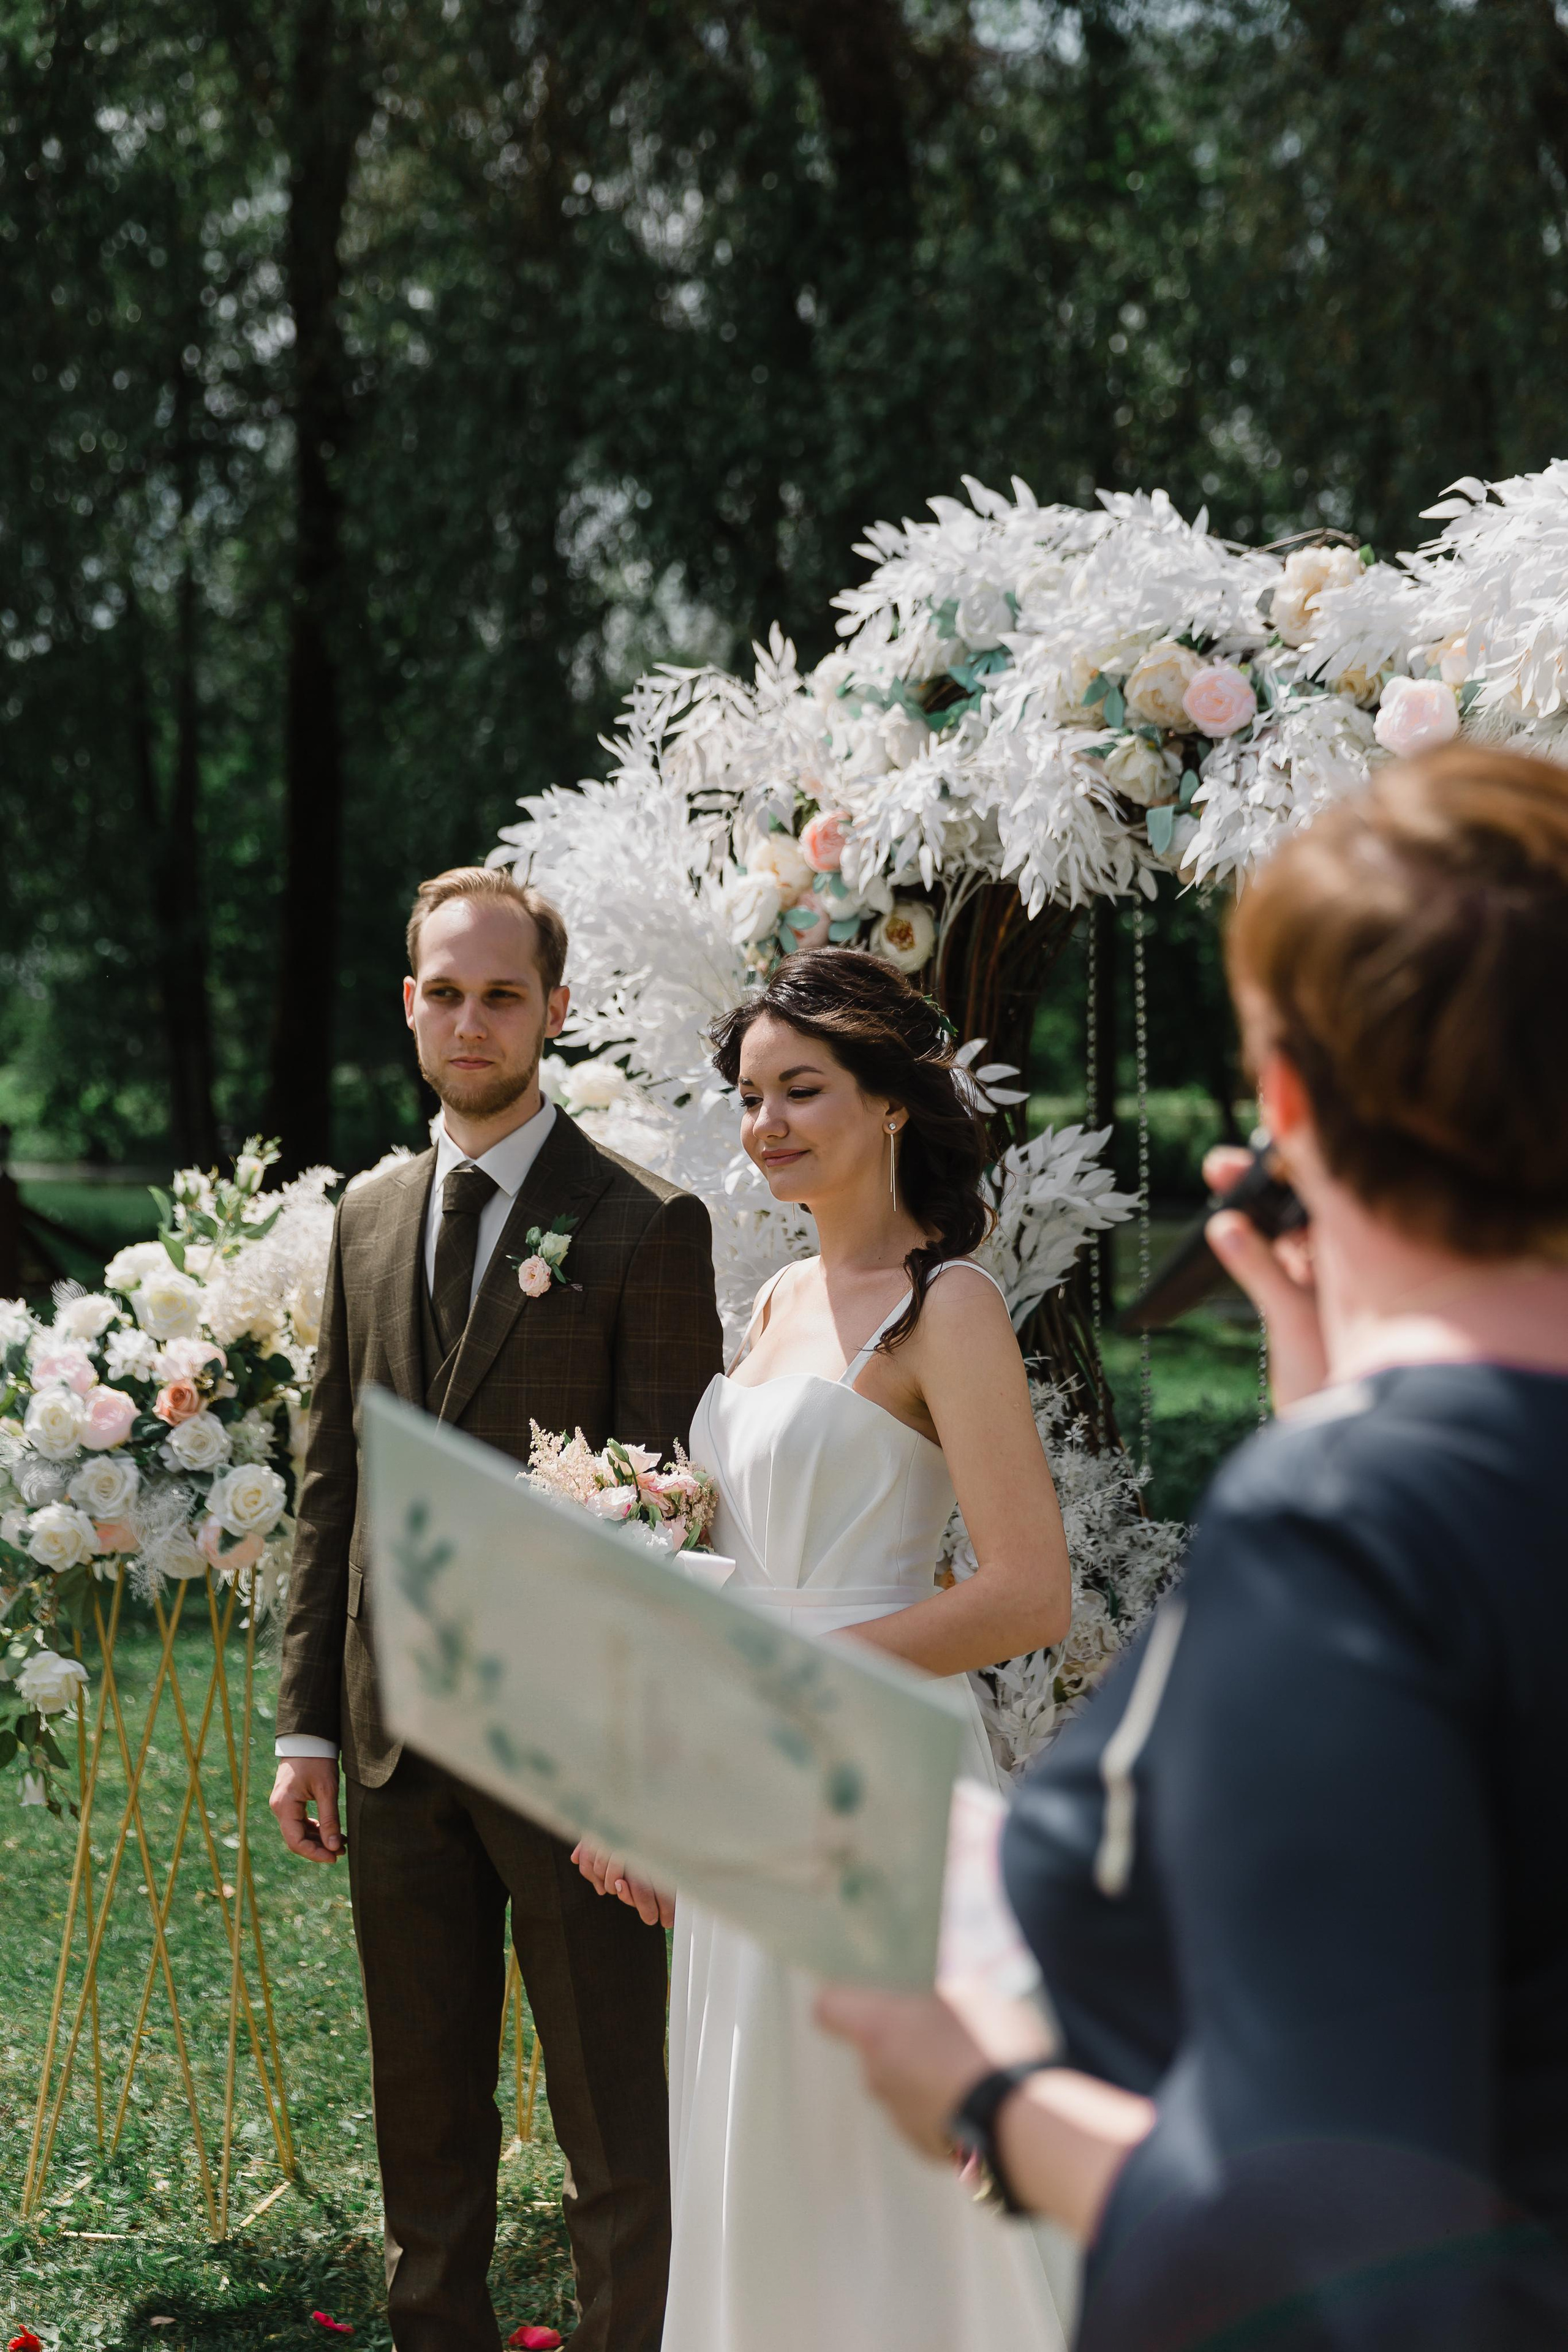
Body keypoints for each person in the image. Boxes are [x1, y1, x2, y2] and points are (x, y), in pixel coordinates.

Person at [817, 744, 1568, 2350]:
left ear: (1287, 1098)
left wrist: (997, 2102)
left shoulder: (1354, 1534)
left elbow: (1348, 2253)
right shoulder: (1395, 1484)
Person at [577, 944, 1074, 2350]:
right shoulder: (775, 1307)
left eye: (801, 1090)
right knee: (761, 2142)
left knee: (881, 2168)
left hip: (873, 1777)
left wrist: (801, 1680)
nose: (765, 1125)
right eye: (747, 1096)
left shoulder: (949, 1308)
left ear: (891, 1105)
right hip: (748, 1773)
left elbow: (1027, 1593)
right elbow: (735, 1578)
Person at [270, 866, 725, 2352]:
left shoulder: (644, 1227)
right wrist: (308, 1731)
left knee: (614, 2133)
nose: (472, 1021)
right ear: (410, 1006)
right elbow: (328, 1479)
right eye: (445, 993)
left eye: (502, 994)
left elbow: (674, 1515)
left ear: (554, 1010)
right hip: (395, 1739)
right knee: (425, 2121)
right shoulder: (366, 1215)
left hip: (572, 1760)